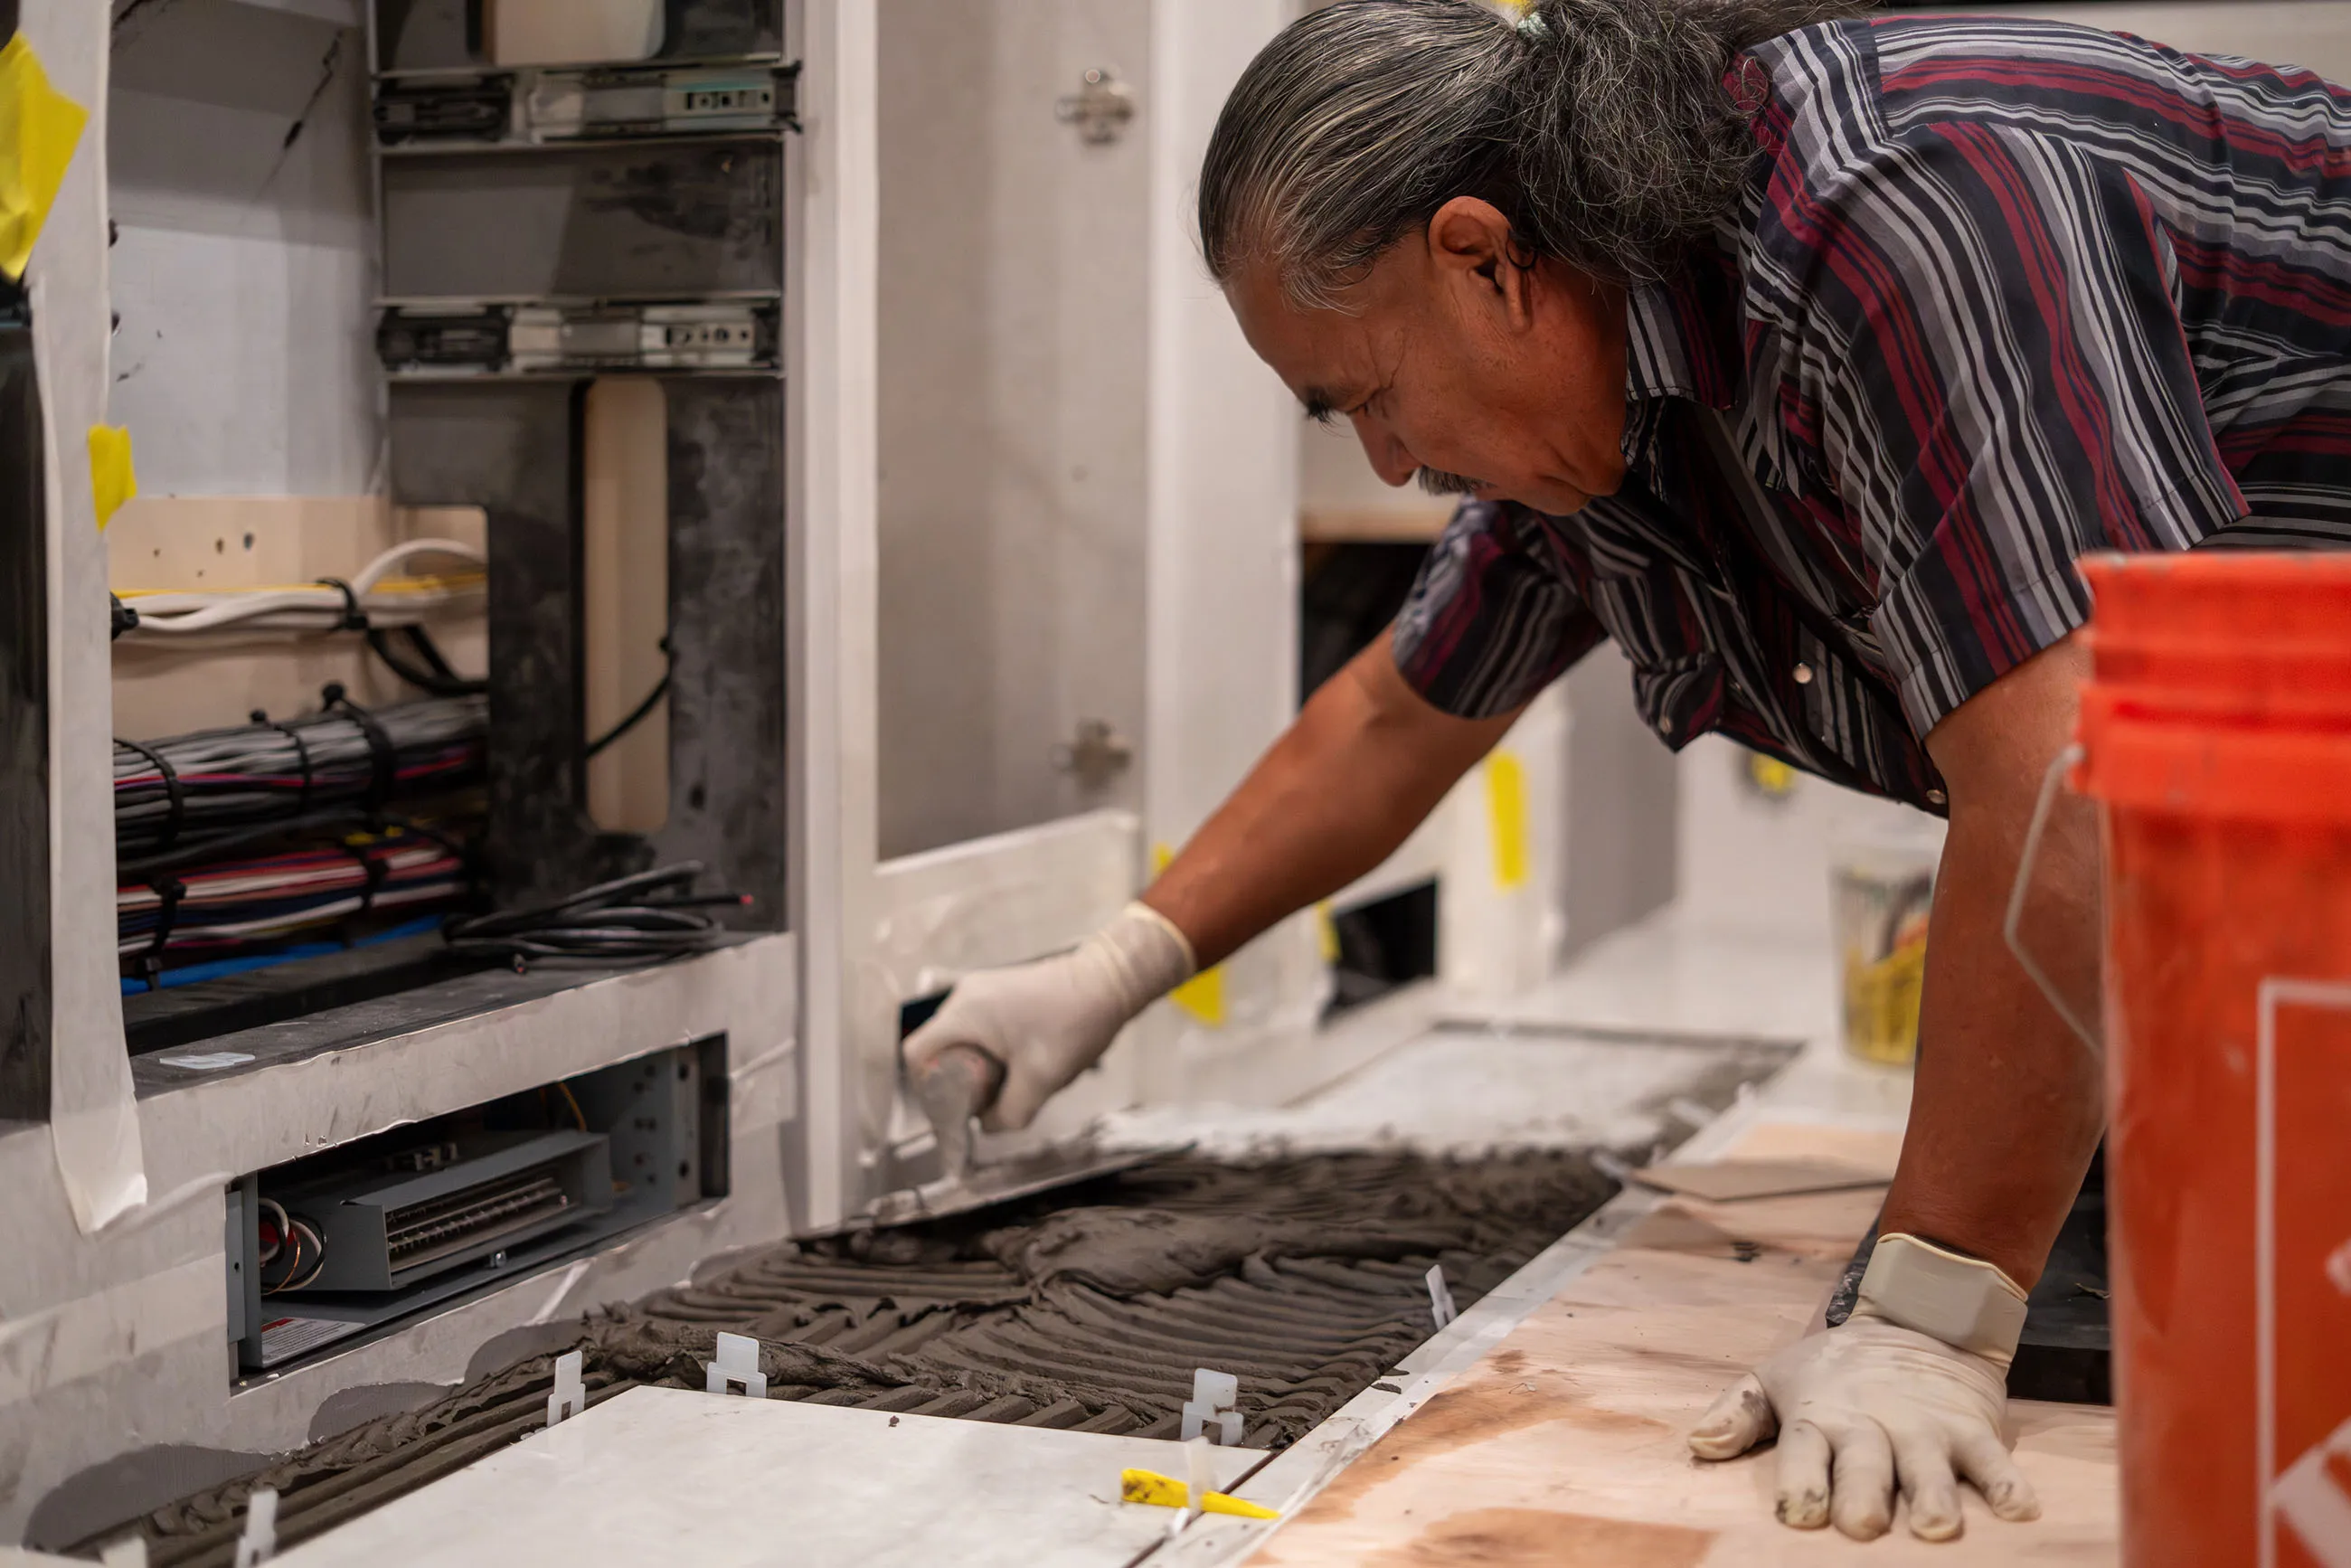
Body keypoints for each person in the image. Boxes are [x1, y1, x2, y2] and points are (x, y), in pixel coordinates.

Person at [905, 0, 2351, 1541]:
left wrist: (1926, 1316)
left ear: (1482, 257)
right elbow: (1398, 715)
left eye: (1372, 394)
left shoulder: (1904, 213)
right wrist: (1113, 969)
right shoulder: (1598, 387)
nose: (1390, 464)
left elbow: (2072, 781)